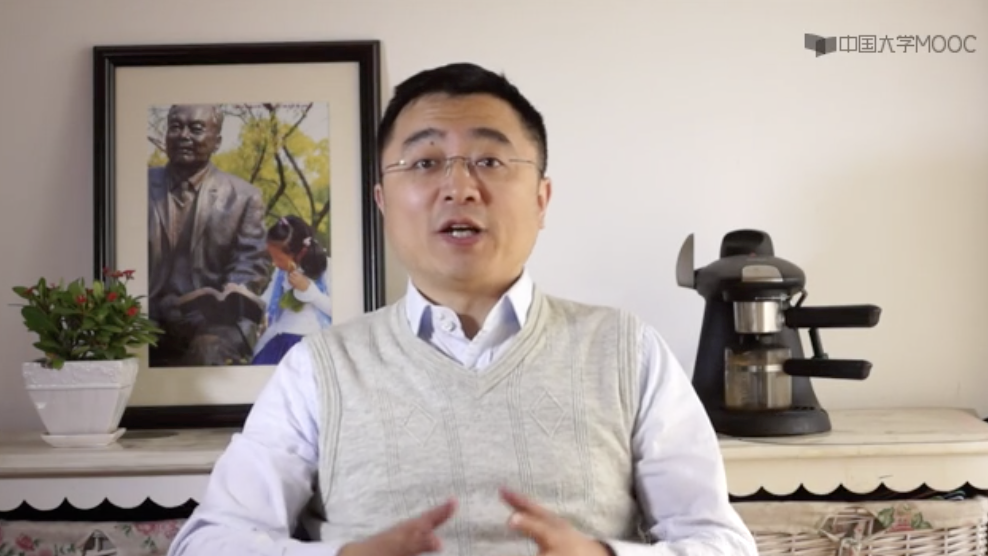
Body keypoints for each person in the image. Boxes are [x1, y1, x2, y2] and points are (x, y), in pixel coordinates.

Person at [167, 63, 758, 556]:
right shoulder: (316, 369)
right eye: (425, 163)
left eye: (490, 161)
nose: (459, 187)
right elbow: (209, 542)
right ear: (382, 202)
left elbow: (721, 542)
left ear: (541, 198)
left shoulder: (627, 351)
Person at [147, 104, 271, 367]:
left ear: (217, 142)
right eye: (175, 127)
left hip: (213, 323)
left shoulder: (243, 196)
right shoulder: (138, 187)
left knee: (208, 351)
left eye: (196, 129)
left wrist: (223, 302)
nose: (184, 135)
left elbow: (252, 264)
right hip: (150, 314)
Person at [252, 215, 333, 365]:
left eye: (279, 259)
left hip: (312, 341)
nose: (275, 263)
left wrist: (310, 292)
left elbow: (339, 310)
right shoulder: (281, 273)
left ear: (297, 253)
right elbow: (266, 301)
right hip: (280, 339)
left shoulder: (327, 267)